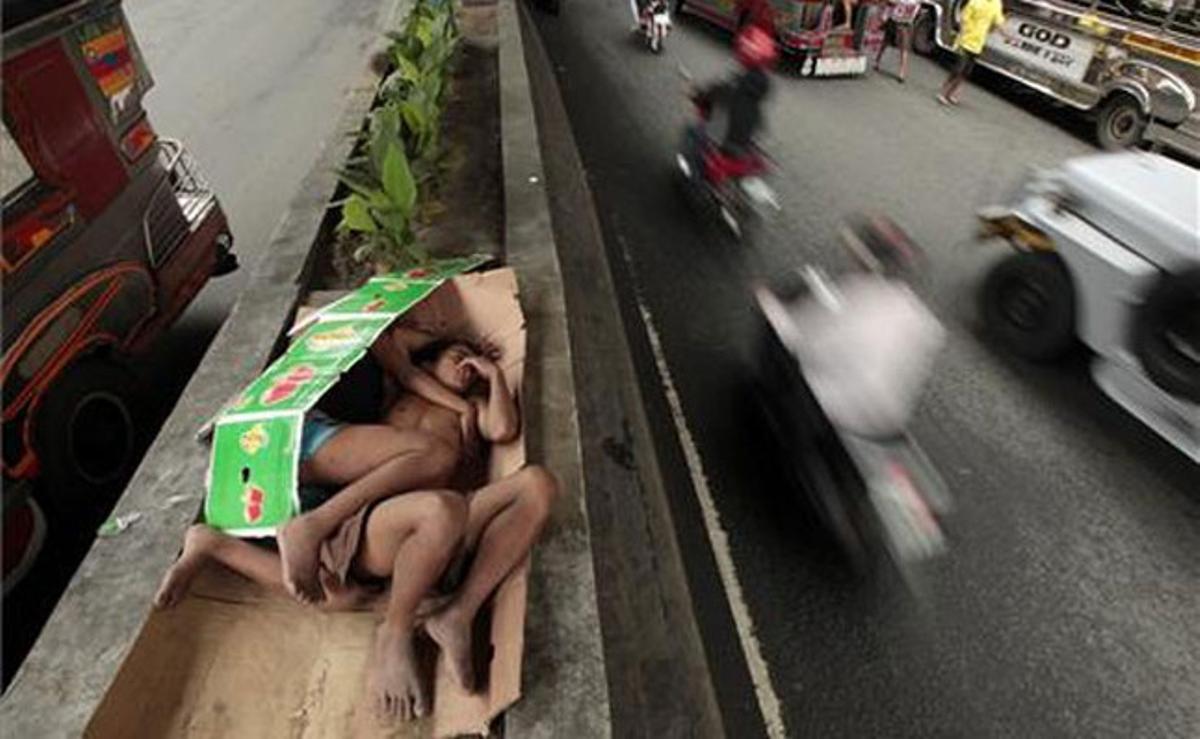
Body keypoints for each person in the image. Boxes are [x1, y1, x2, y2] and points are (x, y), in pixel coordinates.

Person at [156, 338, 558, 723]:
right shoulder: (403, 387)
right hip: (388, 517)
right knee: (363, 572)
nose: (464, 365)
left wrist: (492, 375)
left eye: (471, 363)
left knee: (538, 483)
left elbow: (504, 429)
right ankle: (395, 630)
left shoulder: (472, 407)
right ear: (427, 362)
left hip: (451, 518)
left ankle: (458, 613)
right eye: (457, 354)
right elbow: (393, 344)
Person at [683, 25, 777, 181]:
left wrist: (696, 95)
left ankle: (691, 177)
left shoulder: (733, 84)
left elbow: (710, 94)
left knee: (694, 133)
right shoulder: (763, 84)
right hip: (750, 135)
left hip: (726, 137)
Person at [937, 0, 1013, 105]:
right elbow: (964, 17)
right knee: (958, 69)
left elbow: (999, 22)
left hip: (978, 44)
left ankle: (950, 94)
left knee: (966, 72)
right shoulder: (975, 1)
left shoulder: (996, 3)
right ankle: (942, 92)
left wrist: (1007, 36)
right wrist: (963, 33)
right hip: (965, 41)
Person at [874, 0, 919, 82]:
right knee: (894, 44)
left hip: (901, 21)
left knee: (902, 47)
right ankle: (879, 60)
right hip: (900, 21)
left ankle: (901, 71)